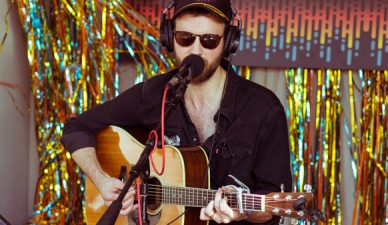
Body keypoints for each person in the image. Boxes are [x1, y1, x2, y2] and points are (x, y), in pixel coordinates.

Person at [61, 0, 292, 224]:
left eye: (209, 40)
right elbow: (76, 128)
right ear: (170, 38)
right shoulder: (155, 95)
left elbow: (273, 205)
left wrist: (243, 212)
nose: (196, 50)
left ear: (229, 41)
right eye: (185, 38)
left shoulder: (264, 109)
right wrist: (102, 180)